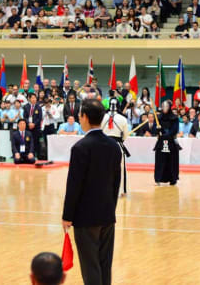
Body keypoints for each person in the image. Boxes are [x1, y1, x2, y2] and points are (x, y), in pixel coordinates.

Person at [62, 99, 120, 285]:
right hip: (107, 215)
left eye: (80, 115)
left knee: (90, 266)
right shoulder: (114, 146)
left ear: (85, 117)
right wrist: (111, 209)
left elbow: (74, 185)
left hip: (85, 218)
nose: (79, 119)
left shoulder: (80, 148)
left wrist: (67, 215)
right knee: (104, 264)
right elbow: (116, 183)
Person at [101, 97, 130, 197]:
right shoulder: (123, 119)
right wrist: (120, 140)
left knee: (103, 167)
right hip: (117, 145)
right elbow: (125, 135)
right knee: (120, 168)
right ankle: (121, 190)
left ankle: (102, 189)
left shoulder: (102, 117)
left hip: (103, 145)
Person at [154, 101, 180, 185]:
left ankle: (173, 179)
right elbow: (156, 129)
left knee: (172, 161)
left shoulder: (175, 118)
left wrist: (166, 135)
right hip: (161, 142)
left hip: (171, 142)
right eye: (163, 106)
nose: (165, 108)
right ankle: (158, 178)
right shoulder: (158, 118)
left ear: (169, 107)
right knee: (160, 160)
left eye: (166, 106)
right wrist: (158, 130)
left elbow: (175, 129)